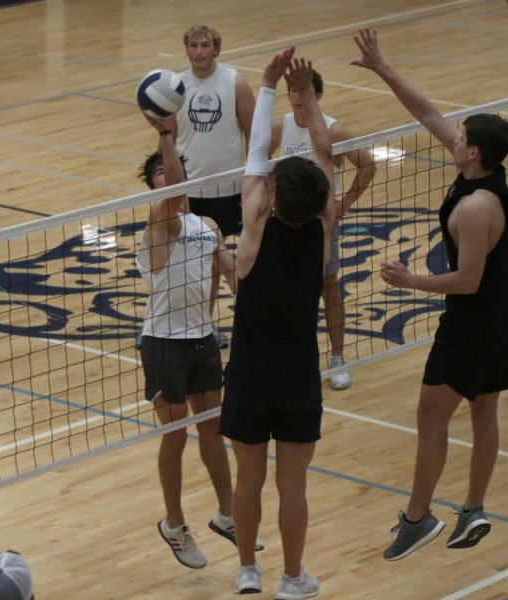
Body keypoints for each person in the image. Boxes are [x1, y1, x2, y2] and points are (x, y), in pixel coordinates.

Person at [351, 28, 508, 560]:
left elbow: (467, 281)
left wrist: (411, 282)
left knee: (431, 415)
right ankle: (473, 508)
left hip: (477, 317)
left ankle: (419, 518)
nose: (451, 137)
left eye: (459, 135)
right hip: (501, 311)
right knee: (483, 412)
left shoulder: (476, 208)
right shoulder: (478, 171)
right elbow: (427, 113)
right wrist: (383, 68)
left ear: (472, 151)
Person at [218, 48, 334, 598]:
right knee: (293, 484)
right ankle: (291, 577)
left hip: (248, 369)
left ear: (271, 198)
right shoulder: (321, 231)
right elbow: (326, 155)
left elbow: (254, 159)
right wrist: (306, 92)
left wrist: (269, 86)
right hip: (298, 369)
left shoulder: (253, 233)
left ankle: (246, 571)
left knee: (249, 479)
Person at [136, 113, 259, 569]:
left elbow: (229, 275)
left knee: (213, 429)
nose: (170, 180)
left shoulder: (206, 226)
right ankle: (174, 524)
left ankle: (228, 516)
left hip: (201, 340)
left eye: (175, 172)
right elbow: (171, 197)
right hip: (162, 342)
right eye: (162, 176)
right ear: (154, 187)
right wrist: (166, 136)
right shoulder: (157, 227)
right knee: (176, 437)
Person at [269, 69, 377, 390]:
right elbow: (259, 160)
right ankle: (288, 356)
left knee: (328, 285)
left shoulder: (336, 131)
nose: (297, 96)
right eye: (291, 90)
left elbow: (368, 165)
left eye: (303, 91)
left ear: (317, 95)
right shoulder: (280, 127)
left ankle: (338, 357)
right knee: (285, 290)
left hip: (320, 224)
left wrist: (345, 203)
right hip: (284, 224)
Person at [169, 25, 257, 347]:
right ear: (186, 49)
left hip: (228, 188)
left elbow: (253, 133)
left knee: (218, 262)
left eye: (205, 45)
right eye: (193, 45)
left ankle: (205, 325)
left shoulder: (235, 83)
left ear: (216, 49)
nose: (199, 51)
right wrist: (171, 186)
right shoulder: (175, 87)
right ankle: (187, 324)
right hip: (190, 190)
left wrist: (254, 178)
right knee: (186, 262)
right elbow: (168, 138)